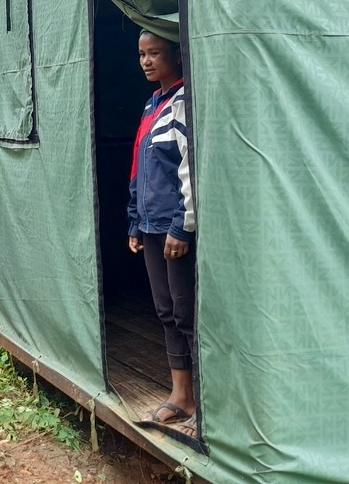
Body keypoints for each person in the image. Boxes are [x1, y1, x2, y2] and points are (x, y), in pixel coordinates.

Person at [127, 29, 198, 439]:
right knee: (166, 310)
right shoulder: (153, 103)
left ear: (176, 54)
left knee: (187, 314)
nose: (146, 61)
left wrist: (180, 226)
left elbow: (189, 167)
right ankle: (180, 396)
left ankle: (205, 406)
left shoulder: (184, 101)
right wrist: (135, 220)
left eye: (155, 53)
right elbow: (140, 167)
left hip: (176, 227)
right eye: (141, 54)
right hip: (152, 226)